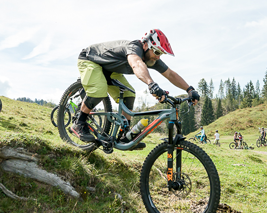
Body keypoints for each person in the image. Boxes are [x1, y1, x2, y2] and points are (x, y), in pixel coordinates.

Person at [70, 29, 199, 150]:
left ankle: (124, 135)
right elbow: (136, 64)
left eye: (161, 54)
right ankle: (79, 122)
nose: (158, 57)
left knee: (129, 93)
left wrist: (189, 89)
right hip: (91, 60)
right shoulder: (133, 48)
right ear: (145, 46)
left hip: (109, 70)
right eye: (157, 52)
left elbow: (170, 74)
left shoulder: (152, 58)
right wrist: (151, 84)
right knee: (99, 90)